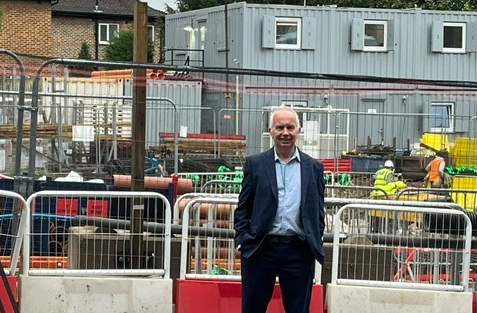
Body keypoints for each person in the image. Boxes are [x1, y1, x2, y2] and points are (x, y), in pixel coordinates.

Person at [234, 106, 325, 313]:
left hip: (298, 252)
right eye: (280, 127)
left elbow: (318, 210)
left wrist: (314, 240)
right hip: (260, 249)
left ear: (298, 130)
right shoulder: (255, 165)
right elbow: (243, 207)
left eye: (290, 127)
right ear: (271, 130)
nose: (285, 132)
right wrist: (241, 241)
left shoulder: (314, 168)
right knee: (252, 308)